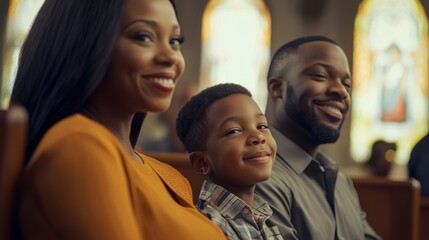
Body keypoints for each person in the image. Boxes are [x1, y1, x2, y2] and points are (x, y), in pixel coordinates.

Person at [11, 0, 227, 239]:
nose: (171, 57)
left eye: (174, 41)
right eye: (143, 37)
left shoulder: (167, 174)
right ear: (84, 43)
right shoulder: (79, 146)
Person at [255, 36, 381, 240]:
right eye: (321, 76)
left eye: (347, 85)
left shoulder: (339, 180)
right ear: (277, 88)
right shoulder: (258, 176)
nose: (341, 91)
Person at [176, 83, 283, 240]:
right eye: (234, 131)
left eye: (262, 126)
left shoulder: (263, 217)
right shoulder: (209, 228)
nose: (258, 137)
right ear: (202, 163)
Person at [140, 82, 198, 152]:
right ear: (168, 108)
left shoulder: (206, 156)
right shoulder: (145, 150)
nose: (193, 110)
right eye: (183, 100)